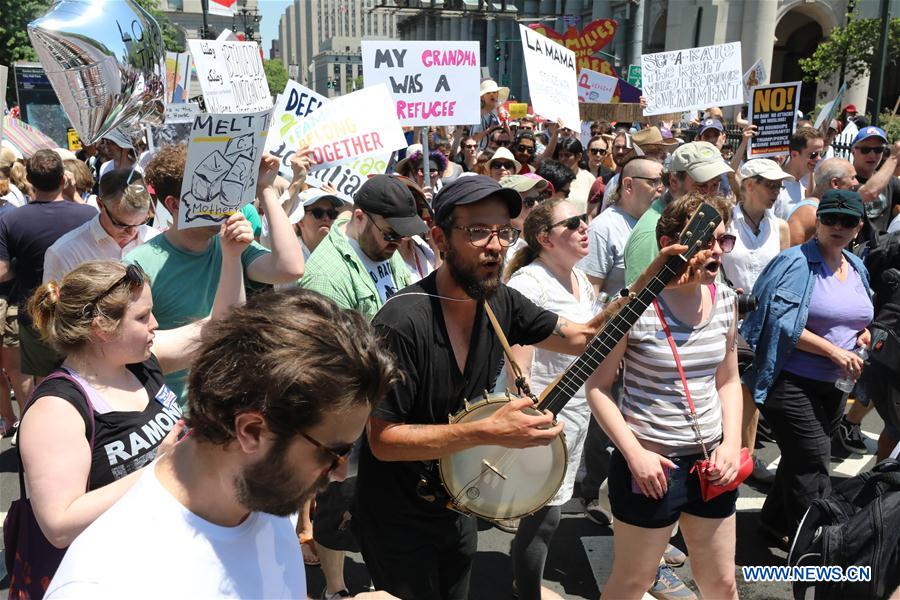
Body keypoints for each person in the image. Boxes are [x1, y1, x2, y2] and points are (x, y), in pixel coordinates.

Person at [353, 175, 667, 600]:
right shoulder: (402, 322)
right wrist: (486, 432)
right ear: (440, 238)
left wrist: (654, 276)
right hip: (398, 518)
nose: (496, 245)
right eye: (478, 231)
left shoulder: (498, 300)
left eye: (504, 231)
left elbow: (584, 337)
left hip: (460, 502)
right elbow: (383, 441)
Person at [44, 289, 401, 599]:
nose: (339, 473)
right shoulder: (106, 585)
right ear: (251, 431)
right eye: (335, 453)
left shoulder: (264, 490)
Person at [16, 217, 246, 589]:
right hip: (108, 580)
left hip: (165, 559)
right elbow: (59, 525)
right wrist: (161, 467)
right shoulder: (57, 409)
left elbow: (221, 327)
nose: (155, 324)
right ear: (101, 329)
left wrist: (232, 257)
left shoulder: (141, 361)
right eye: (142, 317)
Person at [586, 193, 740, 600]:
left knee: (722, 584)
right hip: (651, 468)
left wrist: (731, 444)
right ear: (670, 243)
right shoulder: (634, 306)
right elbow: (597, 387)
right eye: (706, 240)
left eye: (723, 241)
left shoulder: (726, 299)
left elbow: (728, 380)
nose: (716, 251)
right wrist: (634, 455)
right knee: (633, 583)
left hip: (711, 464)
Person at [741, 189, 873, 551]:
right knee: (814, 462)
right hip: (789, 380)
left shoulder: (855, 264)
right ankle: (816, 548)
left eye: (847, 221)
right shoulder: (794, 263)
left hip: (835, 383)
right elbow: (781, 323)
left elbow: (859, 315)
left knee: (801, 457)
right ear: (818, 222)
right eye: (830, 219)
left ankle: (774, 522)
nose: (838, 227)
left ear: (859, 227)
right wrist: (833, 350)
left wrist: (861, 334)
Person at [125, 144, 304, 405]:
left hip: (228, 404)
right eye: (207, 189)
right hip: (179, 414)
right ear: (174, 204)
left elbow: (289, 268)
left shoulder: (229, 245)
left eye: (223, 187)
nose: (223, 200)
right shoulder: (139, 265)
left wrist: (264, 188)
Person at [503, 199, 598, 600]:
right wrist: (530, 417)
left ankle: (523, 581)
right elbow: (517, 369)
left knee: (547, 512)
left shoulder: (580, 278)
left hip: (578, 412)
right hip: (546, 415)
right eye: (573, 223)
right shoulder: (529, 285)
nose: (584, 227)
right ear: (545, 238)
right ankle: (526, 590)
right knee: (544, 515)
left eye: (585, 219)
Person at [0, 150, 96, 381]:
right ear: (64, 179)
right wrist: (74, 196)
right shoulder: (88, 214)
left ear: (29, 180)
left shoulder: (11, 219)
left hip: (36, 312)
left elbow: (2, 272)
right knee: (88, 376)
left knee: (45, 381)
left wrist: (21, 269)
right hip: (81, 310)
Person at [301, 175, 426, 320]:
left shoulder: (381, 242)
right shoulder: (326, 279)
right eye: (390, 234)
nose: (398, 242)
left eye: (403, 235)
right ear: (360, 218)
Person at [624, 141, 733, 286]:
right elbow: (637, 295)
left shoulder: (705, 222)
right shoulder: (650, 233)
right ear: (674, 181)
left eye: (715, 185)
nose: (709, 194)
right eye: (701, 185)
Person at [44, 170, 158, 283]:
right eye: (122, 224)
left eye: (142, 222)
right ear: (100, 204)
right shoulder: (64, 252)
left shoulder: (155, 240)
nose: (133, 231)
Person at [580, 158, 663, 299]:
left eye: (664, 181)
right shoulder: (603, 229)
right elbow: (589, 292)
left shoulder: (660, 221)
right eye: (654, 182)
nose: (662, 188)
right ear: (628, 185)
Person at [787, 158, 858, 246]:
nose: (856, 182)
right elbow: (790, 251)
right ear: (835, 183)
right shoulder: (810, 212)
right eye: (852, 178)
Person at [850, 127, 900, 236]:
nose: (872, 155)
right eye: (865, 150)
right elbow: (869, 193)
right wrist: (894, 158)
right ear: (853, 151)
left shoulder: (890, 181)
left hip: (881, 245)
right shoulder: (846, 179)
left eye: (878, 150)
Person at [773, 127, 825, 220]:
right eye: (813, 154)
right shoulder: (774, 186)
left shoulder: (802, 189)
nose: (819, 158)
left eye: (821, 153)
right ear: (794, 155)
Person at [500, 174, 550, 262]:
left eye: (539, 199)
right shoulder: (501, 248)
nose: (537, 205)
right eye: (529, 202)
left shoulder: (544, 239)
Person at [554, 137, 595, 213]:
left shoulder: (589, 179)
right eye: (560, 155)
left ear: (579, 156)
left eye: (567, 155)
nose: (563, 159)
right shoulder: (553, 177)